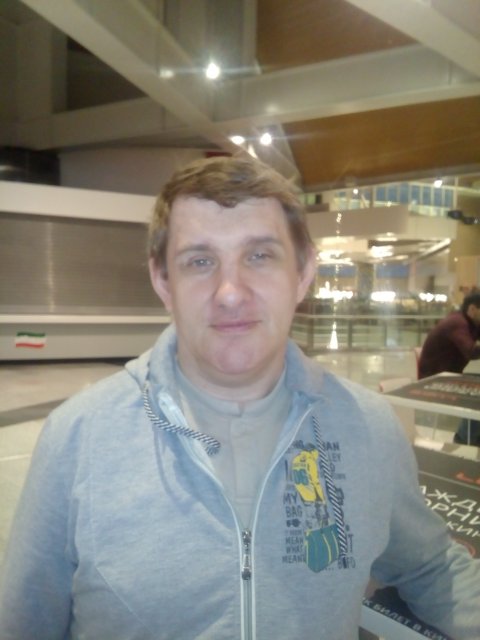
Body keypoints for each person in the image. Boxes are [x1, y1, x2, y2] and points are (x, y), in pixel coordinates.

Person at [0, 156, 479, 640]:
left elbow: (430, 567)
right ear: (163, 281)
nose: (230, 293)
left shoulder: (368, 429)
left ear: (303, 272)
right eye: (200, 261)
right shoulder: (79, 438)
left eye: (259, 256)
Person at [418, 292, 480, 445]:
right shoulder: (457, 323)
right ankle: (464, 438)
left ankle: (471, 436)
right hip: (435, 380)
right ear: (473, 309)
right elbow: (471, 351)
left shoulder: (471, 323)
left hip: (449, 376)